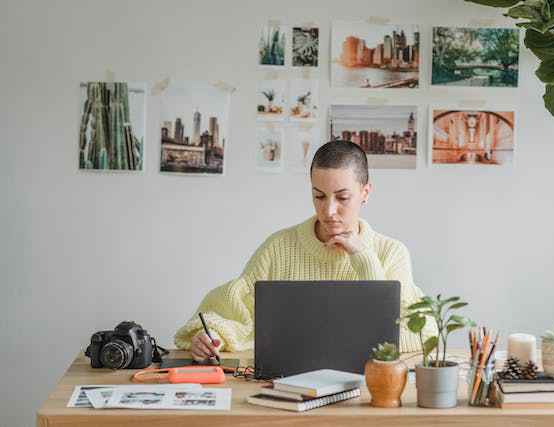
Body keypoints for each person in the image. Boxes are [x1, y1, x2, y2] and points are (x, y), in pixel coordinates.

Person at [175, 140, 436, 362]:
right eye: (319, 196)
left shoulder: (390, 252)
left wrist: (362, 255)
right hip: (285, 384)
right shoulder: (279, 247)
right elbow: (235, 311)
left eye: (342, 198)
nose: (329, 211)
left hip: (366, 386)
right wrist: (210, 337)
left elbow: (420, 334)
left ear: (365, 192)